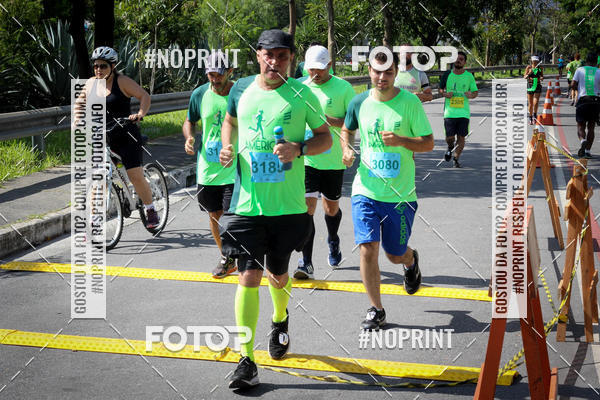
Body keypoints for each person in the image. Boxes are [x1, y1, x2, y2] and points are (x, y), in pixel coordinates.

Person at [218, 29, 331, 389]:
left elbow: (326, 138)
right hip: (247, 205)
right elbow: (230, 121)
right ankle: (245, 359)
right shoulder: (240, 89)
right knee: (248, 276)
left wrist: (299, 149)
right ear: (258, 55)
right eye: (268, 54)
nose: (274, 61)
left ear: (291, 59)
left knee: (278, 276)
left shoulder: (302, 94)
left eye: (282, 56)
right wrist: (225, 146)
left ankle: (280, 318)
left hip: (288, 206)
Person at [341, 49, 434, 330]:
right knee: (368, 248)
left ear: (396, 73)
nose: (382, 77)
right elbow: (347, 130)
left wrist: (402, 140)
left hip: (400, 196)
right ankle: (376, 309)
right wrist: (347, 148)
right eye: (377, 71)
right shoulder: (358, 102)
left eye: (388, 72)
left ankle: (410, 260)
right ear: (369, 71)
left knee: (394, 254)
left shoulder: (410, 103)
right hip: (365, 190)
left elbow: (428, 143)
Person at [292, 45, 356, 279]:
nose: (315, 74)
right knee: (307, 210)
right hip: (307, 158)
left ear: (329, 65)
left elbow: (352, 122)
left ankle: (333, 239)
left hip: (333, 160)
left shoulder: (343, 88)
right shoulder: (299, 87)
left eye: (320, 69)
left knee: (331, 209)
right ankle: (306, 263)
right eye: (311, 69)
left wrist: (329, 121)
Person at [90, 46, 158, 229]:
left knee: (135, 175)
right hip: (105, 136)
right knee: (99, 177)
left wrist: (140, 114)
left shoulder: (122, 82)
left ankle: (151, 209)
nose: (98, 69)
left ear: (112, 66)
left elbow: (144, 96)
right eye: (95, 66)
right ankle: (94, 218)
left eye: (103, 66)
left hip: (127, 135)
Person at [183, 52, 237, 278]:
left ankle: (237, 255)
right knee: (214, 215)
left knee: (231, 216)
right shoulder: (200, 94)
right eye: (210, 75)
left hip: (235, 168)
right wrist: (189, 137)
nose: (214, 80)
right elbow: (189, 121)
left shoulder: (239, 93)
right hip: (208, 168)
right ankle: (226, 257)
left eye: (219, 75)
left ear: (230, 72)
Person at [439, 51, 478, 167]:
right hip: (449, 112)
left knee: (461, 137)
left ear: (464, 62)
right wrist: (445, 94)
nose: (458, 60)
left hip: (464, 113)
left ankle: (456, 158)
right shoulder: (447, 74)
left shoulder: (469, 76)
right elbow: (440, 89)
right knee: (450, 137)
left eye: (461, 59)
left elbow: (475, 92)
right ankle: (450, 146)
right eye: (457, 58)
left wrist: (471, 95)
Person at [571, 52, 600, 158]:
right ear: (596, 61)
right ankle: (587, 151)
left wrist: (577, 89)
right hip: (595, 101)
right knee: (591, 127)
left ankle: (583, 140)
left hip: (583, 100)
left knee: (580, 126)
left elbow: (573, 84)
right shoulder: (599, 71)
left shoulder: (580, 70)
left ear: (586, 61)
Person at [525, 55, 544, 125]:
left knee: (535, 103)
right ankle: (530, 117)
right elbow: (525, 76)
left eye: (536, 61)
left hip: (537, 85)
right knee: (530, 104)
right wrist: (528, 74)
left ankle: (535, 116)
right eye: (534, 61)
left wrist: (541, 78)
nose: (535, 62)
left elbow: (542, 76)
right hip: (530, 85)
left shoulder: (540, 68)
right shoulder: (529, 67)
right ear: (531, 61)